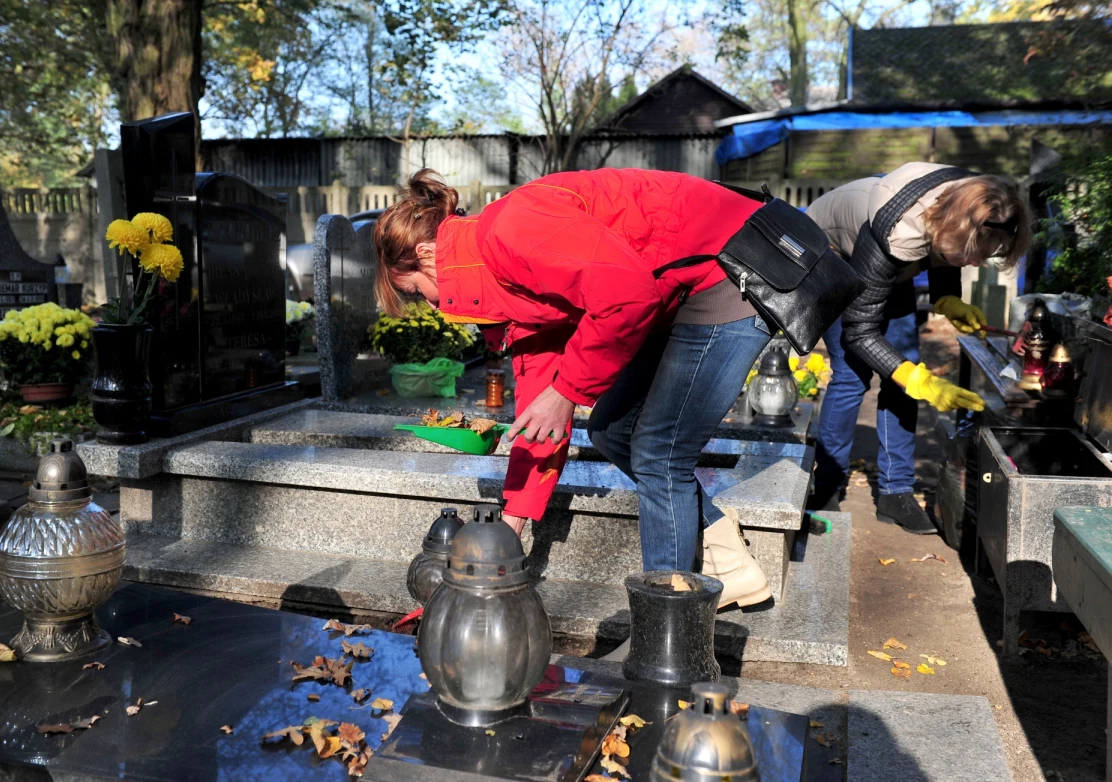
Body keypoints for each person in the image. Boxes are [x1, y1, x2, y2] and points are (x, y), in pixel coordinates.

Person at [373, 168, 805, 616]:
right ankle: (730, 561)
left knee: (659, 451)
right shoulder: (510, 292)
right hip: (677, 290)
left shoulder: (512, 229)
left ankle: (668, 629)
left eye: (415, 291)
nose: (429, 305)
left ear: (427, 254)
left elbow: (627, 296)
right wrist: (511, 524)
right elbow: (540, 416)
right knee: (612, 432)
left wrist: (568, 391)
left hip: (732, 266)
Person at [806, 162, 1030, 533]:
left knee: (905, 368)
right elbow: (860, 331)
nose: (975, 261)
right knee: (852, 374)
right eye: (974, 253)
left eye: (983, 255)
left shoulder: (974, 199)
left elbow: (946, 246)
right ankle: (828, 482)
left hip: (889, 257)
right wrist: (917, 380)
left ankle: (896, 493)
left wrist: (947, 299)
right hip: (833, 254)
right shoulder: (896, 231)